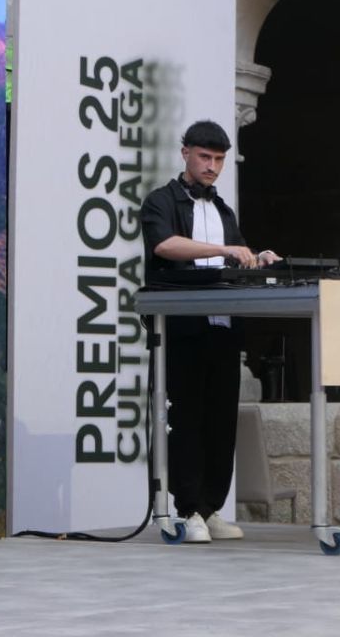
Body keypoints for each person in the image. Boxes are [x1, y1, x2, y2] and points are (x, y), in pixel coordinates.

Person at [141, 120, 280, 544]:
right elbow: (165, 245)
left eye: (219, 159)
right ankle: (187, 510)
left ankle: (209, 507)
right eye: (205, 157)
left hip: (223, 327)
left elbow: (237, 256)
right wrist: (223, 249)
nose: (212, 167)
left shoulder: (223, 211)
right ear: (185, 152)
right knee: (185, 419)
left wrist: (257, 257)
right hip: (183, 329)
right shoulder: (160, 201)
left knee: (221, 422)